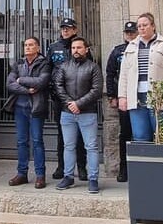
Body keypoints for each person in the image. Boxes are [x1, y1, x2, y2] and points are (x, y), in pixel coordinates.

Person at [117, 13, 163, 144]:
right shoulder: (131, 46)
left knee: (161, 137)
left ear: (153, 26)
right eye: (139, 26)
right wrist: (122, 96)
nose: (142, 28)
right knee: (140, 137)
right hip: (136, 99)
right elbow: (124, 73)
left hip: (160, 99)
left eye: (145, 25)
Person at [53, 37, 103, 194]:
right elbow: (58, 86)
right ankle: (68, 176)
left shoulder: (93, 67)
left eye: (79, 48)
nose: (76, 50)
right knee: (68, 146)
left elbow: (97, 90)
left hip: (87, 113)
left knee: (91, 146)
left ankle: (93, 178)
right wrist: (70, 103)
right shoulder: (64, 67)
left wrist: (79, 104)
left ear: (86, 49)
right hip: (67, 113)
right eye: (74, 48)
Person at [6, 36, 52, 189]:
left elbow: (41, 82)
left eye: (31, 45)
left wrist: (21, 80)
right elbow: (9, 84)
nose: (27, 47)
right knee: (21, 142)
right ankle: (22, 174)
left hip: (36, 107)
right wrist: (26, 90)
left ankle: (40, 175)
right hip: (20, 107)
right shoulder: (18, 63)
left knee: (38, 141)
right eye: (25, 45)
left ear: (38, 48)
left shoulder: (44, 63)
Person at [47, 17, 86, 181]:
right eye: (63, 28)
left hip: (78, 97)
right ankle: (62, 167)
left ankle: (82, 167)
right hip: (60, 98)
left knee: (80, 134)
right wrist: (52, 90)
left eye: (68, 28)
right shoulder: (54, 47)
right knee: (62, 134)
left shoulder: (80, 45)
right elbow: (48, 69)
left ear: (75, 30)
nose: (65, 30)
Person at [104, 21, 136, 182]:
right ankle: (124, 169)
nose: (130, 35)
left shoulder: (142, 49)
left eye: (132, 32)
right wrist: (111, 96)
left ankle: (139, 167)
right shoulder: (118, 51)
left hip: (140, 97)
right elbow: (110, 74)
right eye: (128, 32)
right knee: (124, 134)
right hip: (123, 98)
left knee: (141, 134)